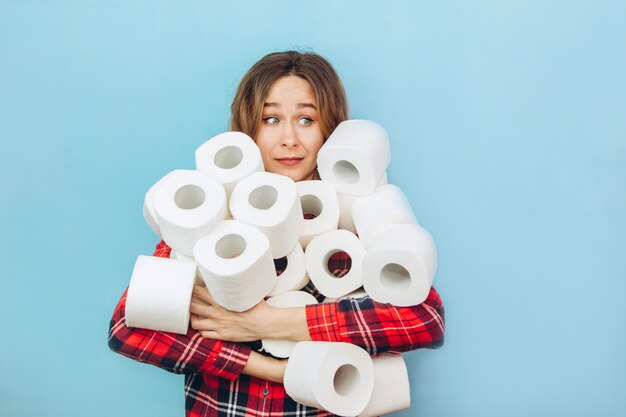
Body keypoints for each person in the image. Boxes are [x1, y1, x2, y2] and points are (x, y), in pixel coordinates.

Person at [108, 50, 445, 417]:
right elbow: (129, 327)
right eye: (271, 119)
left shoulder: (351, 223)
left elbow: (425, 318)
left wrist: (268, 322)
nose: (289, 139)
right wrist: (276, 369)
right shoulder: (210, 224)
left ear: (330, 129)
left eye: (306, 119)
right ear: (248, 129)